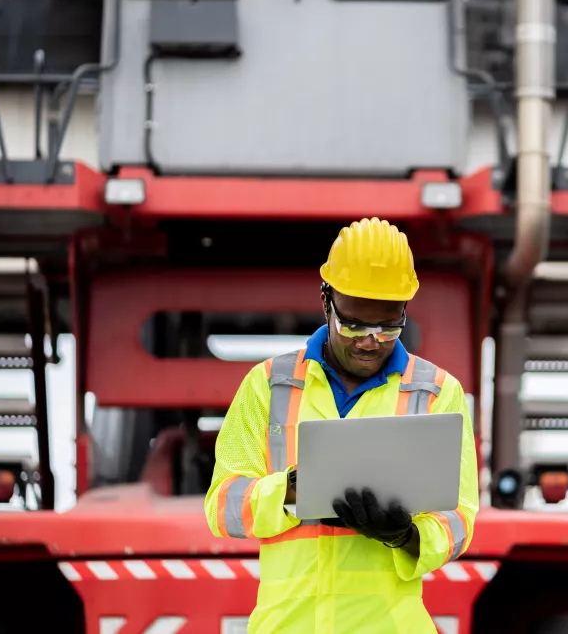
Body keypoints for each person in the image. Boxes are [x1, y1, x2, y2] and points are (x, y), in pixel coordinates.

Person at [204, 217, 480, 634]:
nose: (370, 340)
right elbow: (222, 506)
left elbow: (459, 520)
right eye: (354, 324)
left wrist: (403, 535)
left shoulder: (437, 393)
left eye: (388, 326)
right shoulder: (268, 385)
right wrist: (292, 492)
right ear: (325, 300)